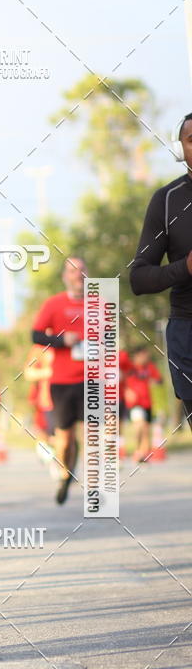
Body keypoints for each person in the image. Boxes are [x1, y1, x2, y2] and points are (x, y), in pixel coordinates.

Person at [130, 113, 192, 430]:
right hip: (187, 330)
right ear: (180, 149)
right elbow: (138, 278)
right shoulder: (167, 201)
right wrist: (186, 267)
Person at [32, 257, 87, 504]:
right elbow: (35, 335)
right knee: (64, 438)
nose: (77, 275)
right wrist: (61, 340)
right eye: (72, 271)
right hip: (62, 382)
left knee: (93, 432)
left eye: (82, 270)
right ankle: (66, 474)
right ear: (65, 276)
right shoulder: (53, 304)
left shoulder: (99, 304)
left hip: (91, 378)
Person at [123, 346, 162, 463]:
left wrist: (154, 381)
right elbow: (121, 380)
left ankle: (142, 454)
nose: (146, 358)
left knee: (146, 429)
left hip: (147, 403)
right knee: (140, 425)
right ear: (137, 355)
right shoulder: (130, 367)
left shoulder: (150, 367)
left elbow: (159, 380)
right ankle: (138, 451)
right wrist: (127, 391)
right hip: (135, 403)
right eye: (144, 355)